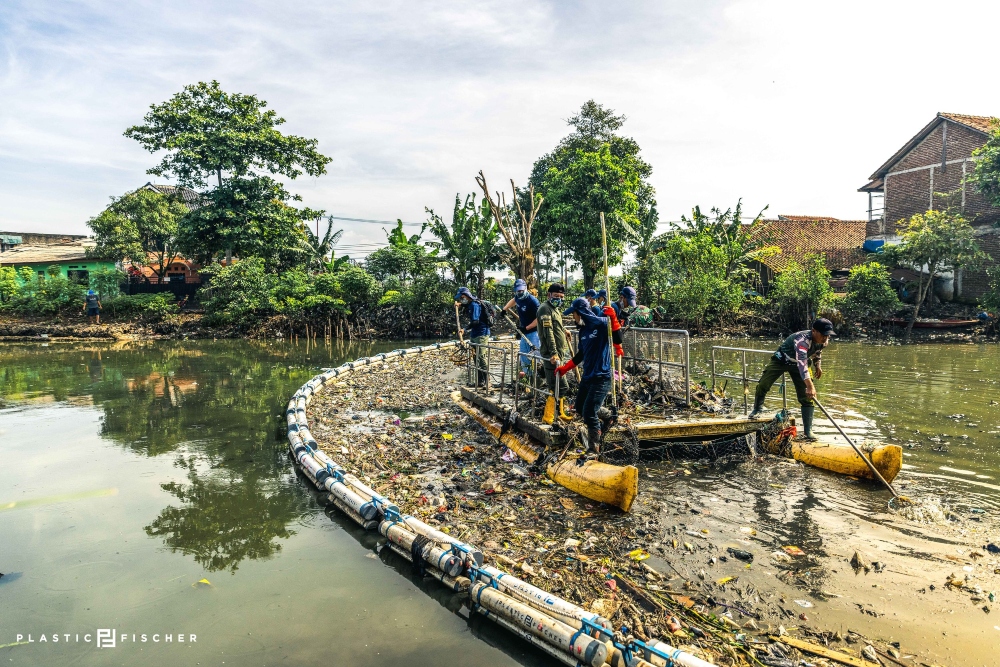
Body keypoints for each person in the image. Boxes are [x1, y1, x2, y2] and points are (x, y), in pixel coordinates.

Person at [748, 318, 836, 441]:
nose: (826, 338)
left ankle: (808, 430)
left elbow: (817, 352)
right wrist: (810, 386)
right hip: (782, 360)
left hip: (800, 364)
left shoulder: (823, 340)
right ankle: (757, 408)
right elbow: (802, 365)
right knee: (764, 383)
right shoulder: (802, 341)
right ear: (814, 331)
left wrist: (817, 365)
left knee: (807, 397)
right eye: (823, 335)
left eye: (828, 335)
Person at [555, 298, 613, 454]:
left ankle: (594, 448)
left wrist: (613, 319)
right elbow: (581, 354)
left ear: (580, 313)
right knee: (580, 408)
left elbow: (617, 336)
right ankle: (608, 415)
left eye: (573, 314)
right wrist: (565, 368)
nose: (573, 318)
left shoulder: (601, 324)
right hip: (588, 375)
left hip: (601, 376)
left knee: (589, 413)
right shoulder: (583, 331)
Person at [537, 283, 570, 396]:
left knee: (558, 386)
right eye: (556, 296)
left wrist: (564, 330)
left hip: (559, 354)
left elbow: (556, 326)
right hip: (552, 355)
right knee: (560, 387)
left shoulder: (554, 309)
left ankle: (559, 411)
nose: (559, 299)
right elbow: (548, 332)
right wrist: (553, 353)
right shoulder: (545, 309)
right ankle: (552, 413)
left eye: (561, 297)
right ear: (548, 295)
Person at [455, 287, 491, 386]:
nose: (461, 299)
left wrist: (464, 329)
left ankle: (488, 381)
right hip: (474, 334)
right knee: (475, 357)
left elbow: (475, 321)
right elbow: (468, 306)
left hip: (482, 334)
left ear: (466, 296)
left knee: (481, 357)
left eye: (462, 298)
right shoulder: (470, 303)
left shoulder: (475, 305)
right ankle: (480, 381)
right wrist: (461, 305)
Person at [503, 279, 540, 375]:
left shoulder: (533, 301)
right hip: (524, 332)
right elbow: (514, 300)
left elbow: (539, 319)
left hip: (534, 332)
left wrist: (526, 328)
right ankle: (527, 377)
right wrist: (505, 309)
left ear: (526, 289)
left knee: (535, 356)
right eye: (518, 291)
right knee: (524, 355)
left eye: (521, 291)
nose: (520, 293)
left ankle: (537, 379)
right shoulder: (518, 297)